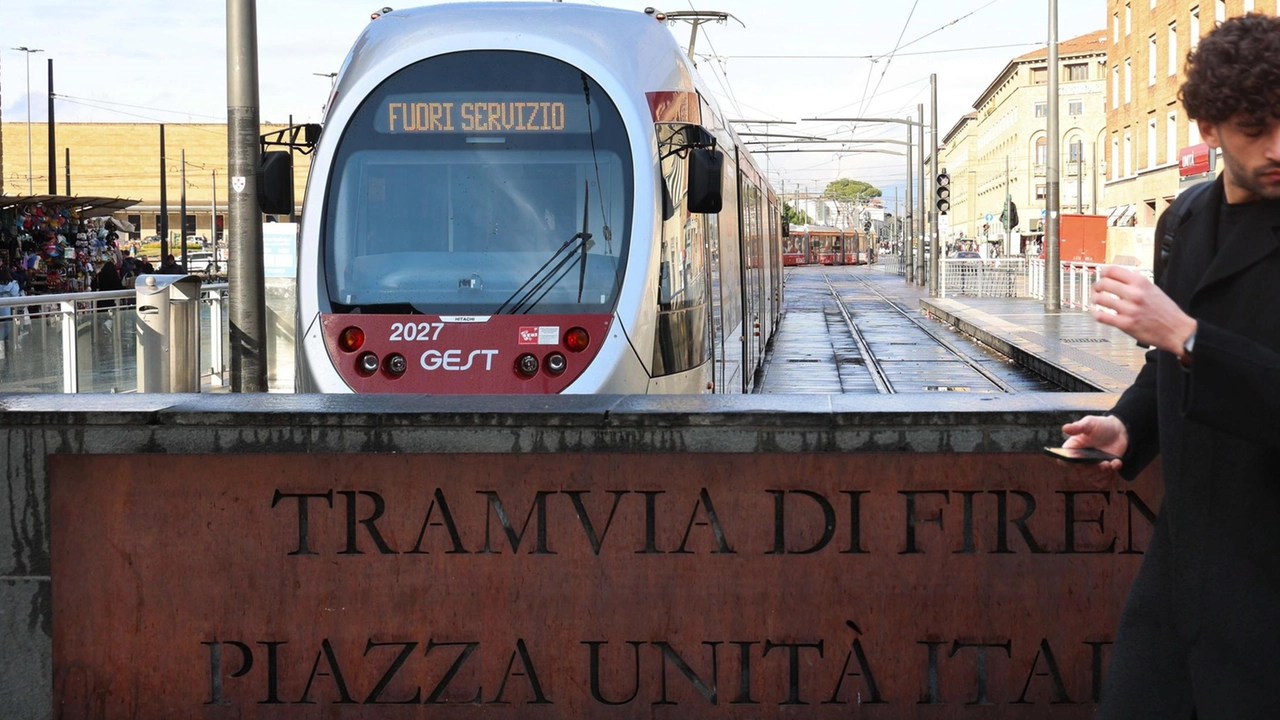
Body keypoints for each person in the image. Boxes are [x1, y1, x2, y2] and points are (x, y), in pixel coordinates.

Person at [1061, 15, 1280, 718]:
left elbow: (1181, 343)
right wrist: (1128, 428)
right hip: (1185, 560)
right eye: (1256, 127)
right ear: (1209, 129)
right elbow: (1166, 366)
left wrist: (1188, 336)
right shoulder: (1183, 218)